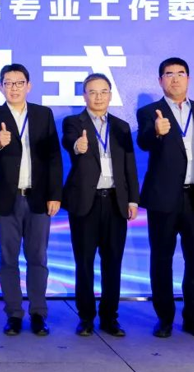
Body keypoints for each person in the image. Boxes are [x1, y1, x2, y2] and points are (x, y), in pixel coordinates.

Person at [136, 57, 194, 339]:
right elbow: (143, 142)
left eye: (180, 73)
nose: (175, 78)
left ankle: (193, 319)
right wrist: (156, 132)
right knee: (161, 260)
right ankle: (164, 319)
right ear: (160, 80)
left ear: (188, 78)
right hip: (163, 198)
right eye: (169, 74)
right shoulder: (149, 112)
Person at [0, 63, 63, 336]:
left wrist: (55, 194)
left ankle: (38, 313)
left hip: (38, 198)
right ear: (1, 87)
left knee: (38, 257)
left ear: (29, 86)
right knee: (8, 258)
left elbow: (54, 157)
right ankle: (14, 314)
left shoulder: (43, 114)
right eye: (8, 83)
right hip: (6, 199)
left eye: (19, 83)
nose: (13, 88)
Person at [62, 73, 139, 337]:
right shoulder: (74, 123)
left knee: (112, 263)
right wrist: (78, 145)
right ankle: (85, 318)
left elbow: (129, 166)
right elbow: (68, 142)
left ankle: (110, 318)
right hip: (86, 203)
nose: (98, 97)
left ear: (110, 95)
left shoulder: (121, 126)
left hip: (116, 201)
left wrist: (132, 199)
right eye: (92, 92)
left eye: (103, 92)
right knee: (84, 263)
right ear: (84, 95)